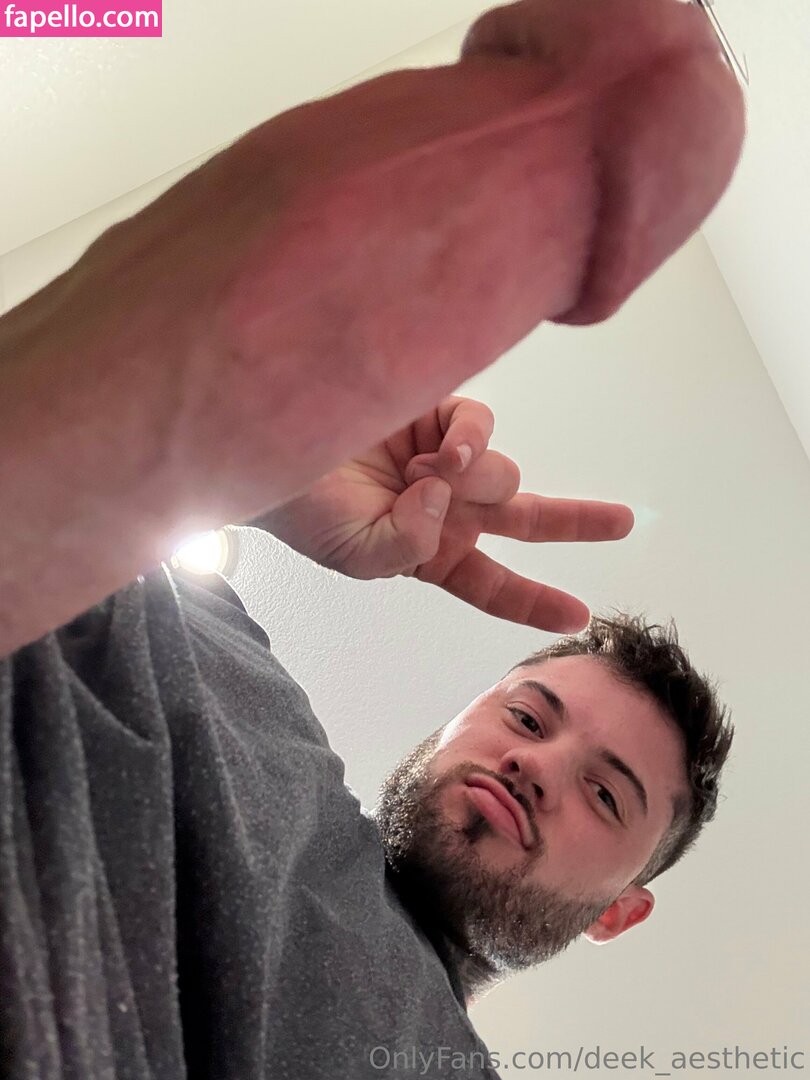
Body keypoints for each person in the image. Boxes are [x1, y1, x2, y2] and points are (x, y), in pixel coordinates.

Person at [0, 0, 744, 1075]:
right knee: (134, 574)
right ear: (450, 726)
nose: (535, 765)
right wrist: (240, 477)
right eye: (527, 715)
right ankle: (145, 413)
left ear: (617, 912)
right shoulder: (237, 664)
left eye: (604, 793)